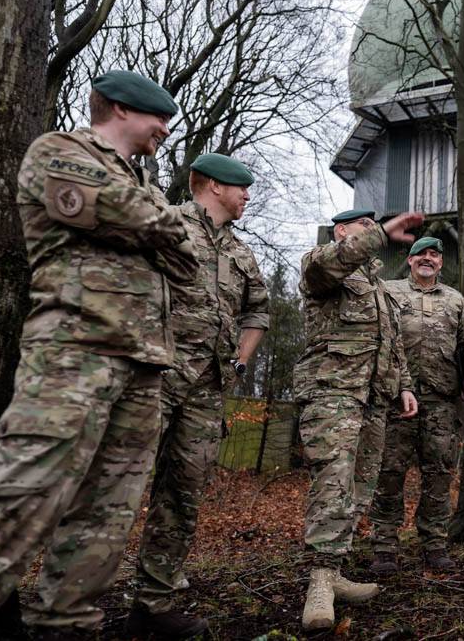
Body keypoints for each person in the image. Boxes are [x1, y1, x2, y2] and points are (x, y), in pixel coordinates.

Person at [0, 71, 196, 640]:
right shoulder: (59, 150)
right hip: (74, 354)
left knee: (107, 516)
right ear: (119, 108)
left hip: (142, 363)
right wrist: (155, 222)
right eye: (157, 117)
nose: (165, 129)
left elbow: (187, 264)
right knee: (26, 497)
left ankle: (65, 626)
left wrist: (144, 220)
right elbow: (125, 214)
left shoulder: (138, 178)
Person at [124, 153, 270, 638]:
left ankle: (154, 600)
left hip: (208, 390)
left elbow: (258, 313)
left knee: (183, 493)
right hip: (152, 379)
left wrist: (242, 360)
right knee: (118, 487)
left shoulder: (242, 253)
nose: (247, 195)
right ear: (210, 185)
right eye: (241, 187)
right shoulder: (167, 225)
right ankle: (70, 601)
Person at [294, 208, 423, 631]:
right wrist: (381, 233)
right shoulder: (322, 264)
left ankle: (333, 573)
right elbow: (332, 264)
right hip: (332, 393)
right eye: (362, 227)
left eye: (374, 228)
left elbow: (394, 343)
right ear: (341, 231)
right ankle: (318, 581)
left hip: (373, 398)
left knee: (358, 487)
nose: (371, 233)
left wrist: (403, 385)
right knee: (333, 481)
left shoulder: (379, 288)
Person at [368, 237, 464, 573]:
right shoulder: (389, 292)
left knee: (439, 474)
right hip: (395, 400)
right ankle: (384, 545)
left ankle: (434, 543)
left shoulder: (455, 300)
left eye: (435, 254)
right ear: (409, 259)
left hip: (442, 402)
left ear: (440, 263)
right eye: (422, 253)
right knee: (389, 473)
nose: (428, 259)